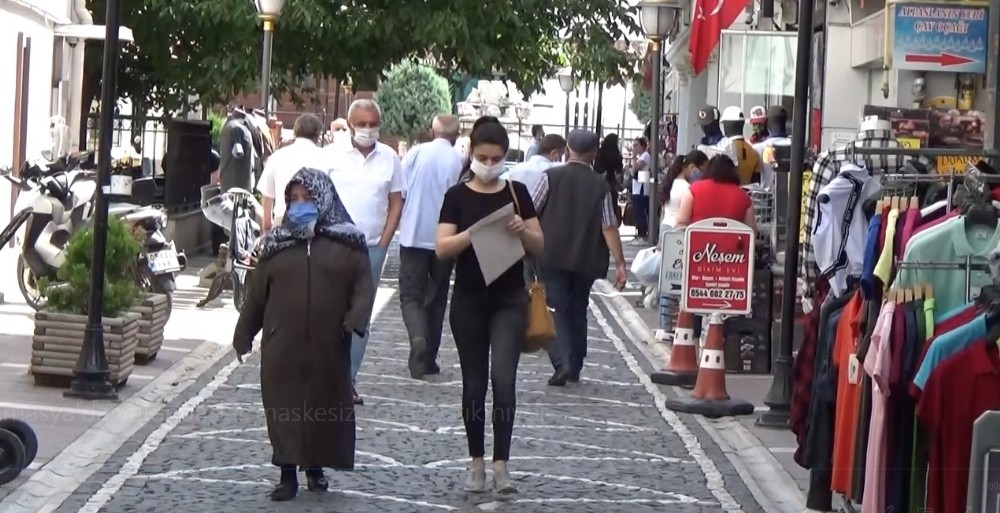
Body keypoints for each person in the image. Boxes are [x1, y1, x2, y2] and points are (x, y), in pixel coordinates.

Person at [232, 168, 376, 502]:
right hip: (282, 345)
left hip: (330, 344)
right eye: (294, 199)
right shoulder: (274, 246)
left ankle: (315, 467)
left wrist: (354, 320)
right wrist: (243, 335)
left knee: (323, 407)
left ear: (324, 198)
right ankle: (286, 474)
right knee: (284, 409)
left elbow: (363, 285)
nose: (300, 205)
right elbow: (256, 298)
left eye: (308, 198)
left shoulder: (348, 242)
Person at [435, 117, 544, 494]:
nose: (489, 164)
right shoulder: (457, 196)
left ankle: (502, 464)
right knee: (474, 383)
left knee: (504, 380)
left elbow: (540, 244)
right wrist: (473, 233)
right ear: (471, 152)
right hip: (469, 299)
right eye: (483, 157)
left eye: (496, 158)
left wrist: (523, 230)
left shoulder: (516, 192)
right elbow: (442, 247)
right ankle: (476, 461)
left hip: (509, 299)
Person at [531, 129, 628, 386]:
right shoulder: (601, 186)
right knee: (578, 308)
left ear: (567, 151)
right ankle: (574, 364)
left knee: (556, 309)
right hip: (587, 259)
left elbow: (531, 211)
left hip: (551, 254)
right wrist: (620, 263)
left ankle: (562, 361)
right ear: (594, 154)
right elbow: (608, 226)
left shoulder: (550, 177)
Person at [324, 99, 404, 402]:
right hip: (333, 246)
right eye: (362, 124)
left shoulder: (389, 158)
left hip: (371, 248)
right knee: (329, 312)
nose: (368, 129)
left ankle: (348, 380)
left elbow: (396, 201)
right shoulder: (331, 156)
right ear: (350, 124)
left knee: (360, 317)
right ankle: (325, 378)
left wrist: (384, 242)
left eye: (373, 124)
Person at [398, 115, 463, 380]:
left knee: (410, 295)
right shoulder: (459, 160)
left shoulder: (415, 153)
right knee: (437, 296)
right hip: (446, 238)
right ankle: (429, 358)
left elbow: (401, 191)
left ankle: (418, 337)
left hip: (413, 235)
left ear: (432, 131)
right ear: (456, 135)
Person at [655, 150, 707, 340]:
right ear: (692, 167)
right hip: (679, 232)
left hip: (666, 229)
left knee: (666, 279)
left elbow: (663, 212)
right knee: (675, 281)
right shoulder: (687, 188)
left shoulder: (670, 183)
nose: (702, 173)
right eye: (702, 169)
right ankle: (668, 325)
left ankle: (663, 325)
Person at [258, 114, 328, 233]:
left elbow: (267, 196)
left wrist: (267, 225)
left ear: (295, 132)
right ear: (318, 134)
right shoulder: (326, 157)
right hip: (315, 222)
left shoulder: (277, 156)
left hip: (283, 219)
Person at [674, 154, 756, 230]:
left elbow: (681, 223)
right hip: (732, 241)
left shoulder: (693, 191)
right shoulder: (745, 198)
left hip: (698, 240)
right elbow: (751, 231)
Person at [628, 137, 652, 245]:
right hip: (637, 187)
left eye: (637, 145)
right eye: (634, 145)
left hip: (642, 187)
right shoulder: (640, 157)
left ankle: (643, 235)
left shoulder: (645, 156)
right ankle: (639, 234)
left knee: (640, 212)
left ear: (643, 146)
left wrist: (633, 157)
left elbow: (636, 168)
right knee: (637, 212)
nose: (635, 148)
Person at [594, 133, 624, 198]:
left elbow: (596, 167)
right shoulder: (617, 156)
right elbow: (618, 173)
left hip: (598, 182)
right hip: (611, 183)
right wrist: (619, 185)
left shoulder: (599, 152)